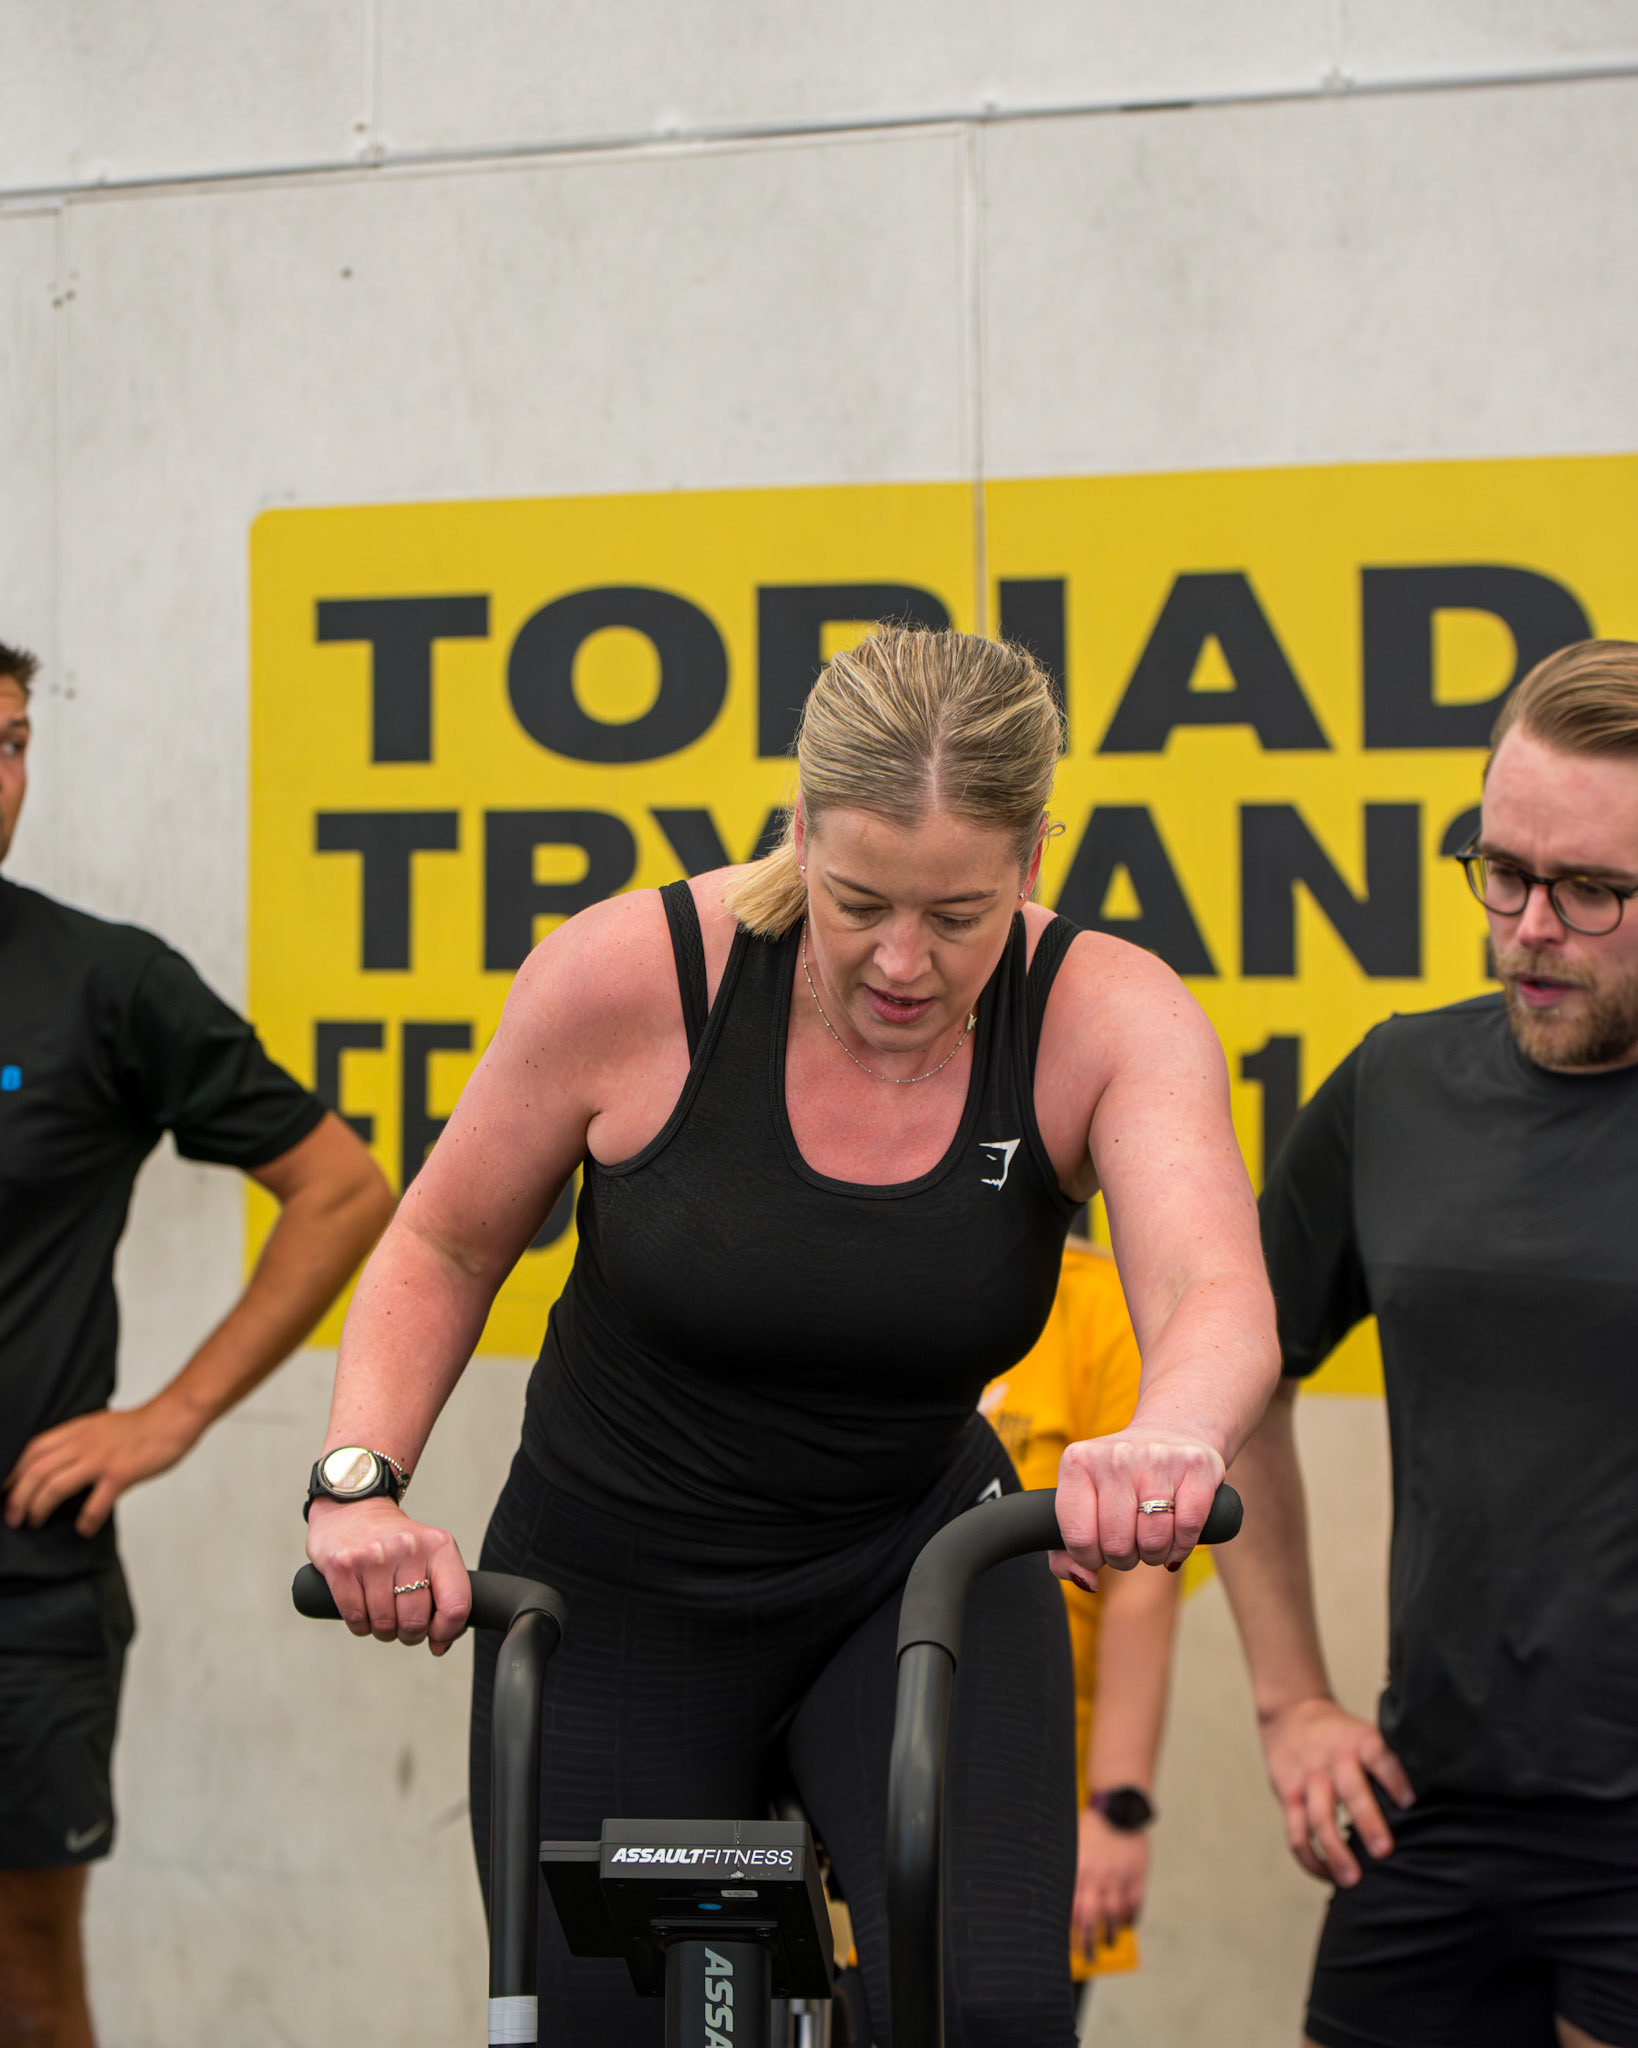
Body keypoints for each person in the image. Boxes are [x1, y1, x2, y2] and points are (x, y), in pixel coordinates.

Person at [306, 625, 1278, 2045]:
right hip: (618, 1588)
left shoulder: (1104, 1011)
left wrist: (1172, 1432)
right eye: (858, 901)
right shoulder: (632, 976)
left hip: (916, 1565)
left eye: (959, 914)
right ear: (801, 826)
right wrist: (358, 1481)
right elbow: (444, 1243)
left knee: (989, 2018)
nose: (902, 961)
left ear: (1033, 857)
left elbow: (1210, 1291)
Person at [1213, 639, 1638, 2048]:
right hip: (1432, 1809)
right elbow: (1234, 1369)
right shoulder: (1396, 1083)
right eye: (1502, 872)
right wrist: (1290, 1704)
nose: (1530, 927)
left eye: (1589, 890)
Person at [0, 640, 395, 2048]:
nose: (1, 777)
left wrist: (168, 1416)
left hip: (23, 1588)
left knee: (25, 1989)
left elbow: (342, 1190)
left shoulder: (101, 983)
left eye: (12, 741)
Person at [980, 1234, 1182, 2006]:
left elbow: (1142, 1584)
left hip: (1035, 1799)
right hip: (860, 1773)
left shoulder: (1099, 1306)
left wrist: (1116, 1807)